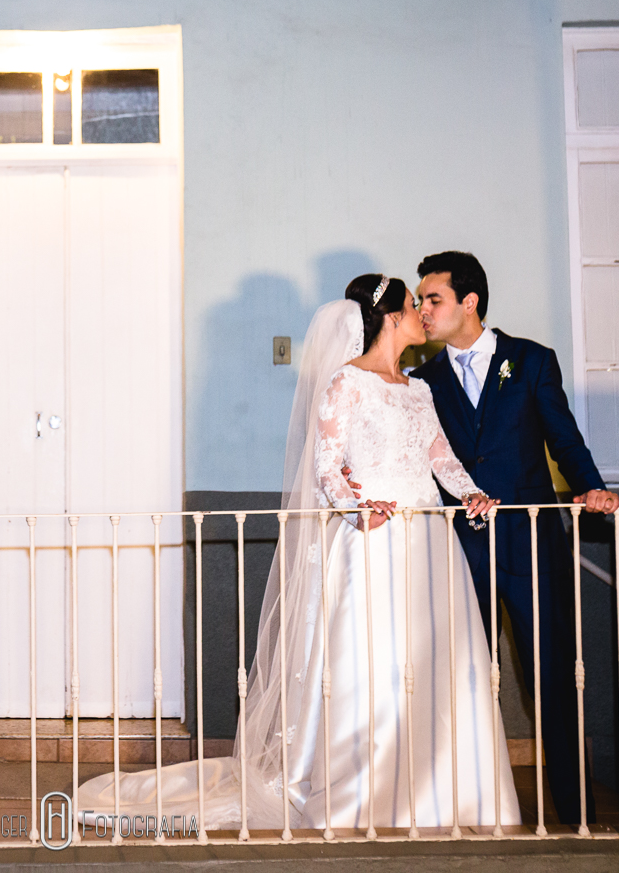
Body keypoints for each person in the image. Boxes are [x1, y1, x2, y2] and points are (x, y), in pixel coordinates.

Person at [76, 276, 521, 832]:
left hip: (430, 541)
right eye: (412, 307)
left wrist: (471, 493)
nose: (420, 317)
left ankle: (441, 791)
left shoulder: (419, 389)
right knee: (374, 668)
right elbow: (326, 467)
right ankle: (365, 790)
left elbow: (440, 457)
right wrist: (357, 509)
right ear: (388, 316)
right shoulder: (345, 383)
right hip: (373, 544)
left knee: (435, 666)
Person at [408, 250, 617, 828]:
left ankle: (577, 817)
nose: (422, 311)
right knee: (462, 685)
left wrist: (592, 489)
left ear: (468, 302)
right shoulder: (420, 380)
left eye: (433, 300)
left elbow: (563, 439)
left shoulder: (530, 361)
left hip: (532, 546)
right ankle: (465, 807)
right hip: (458, 550)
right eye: (421, 302)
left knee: (552, 681)